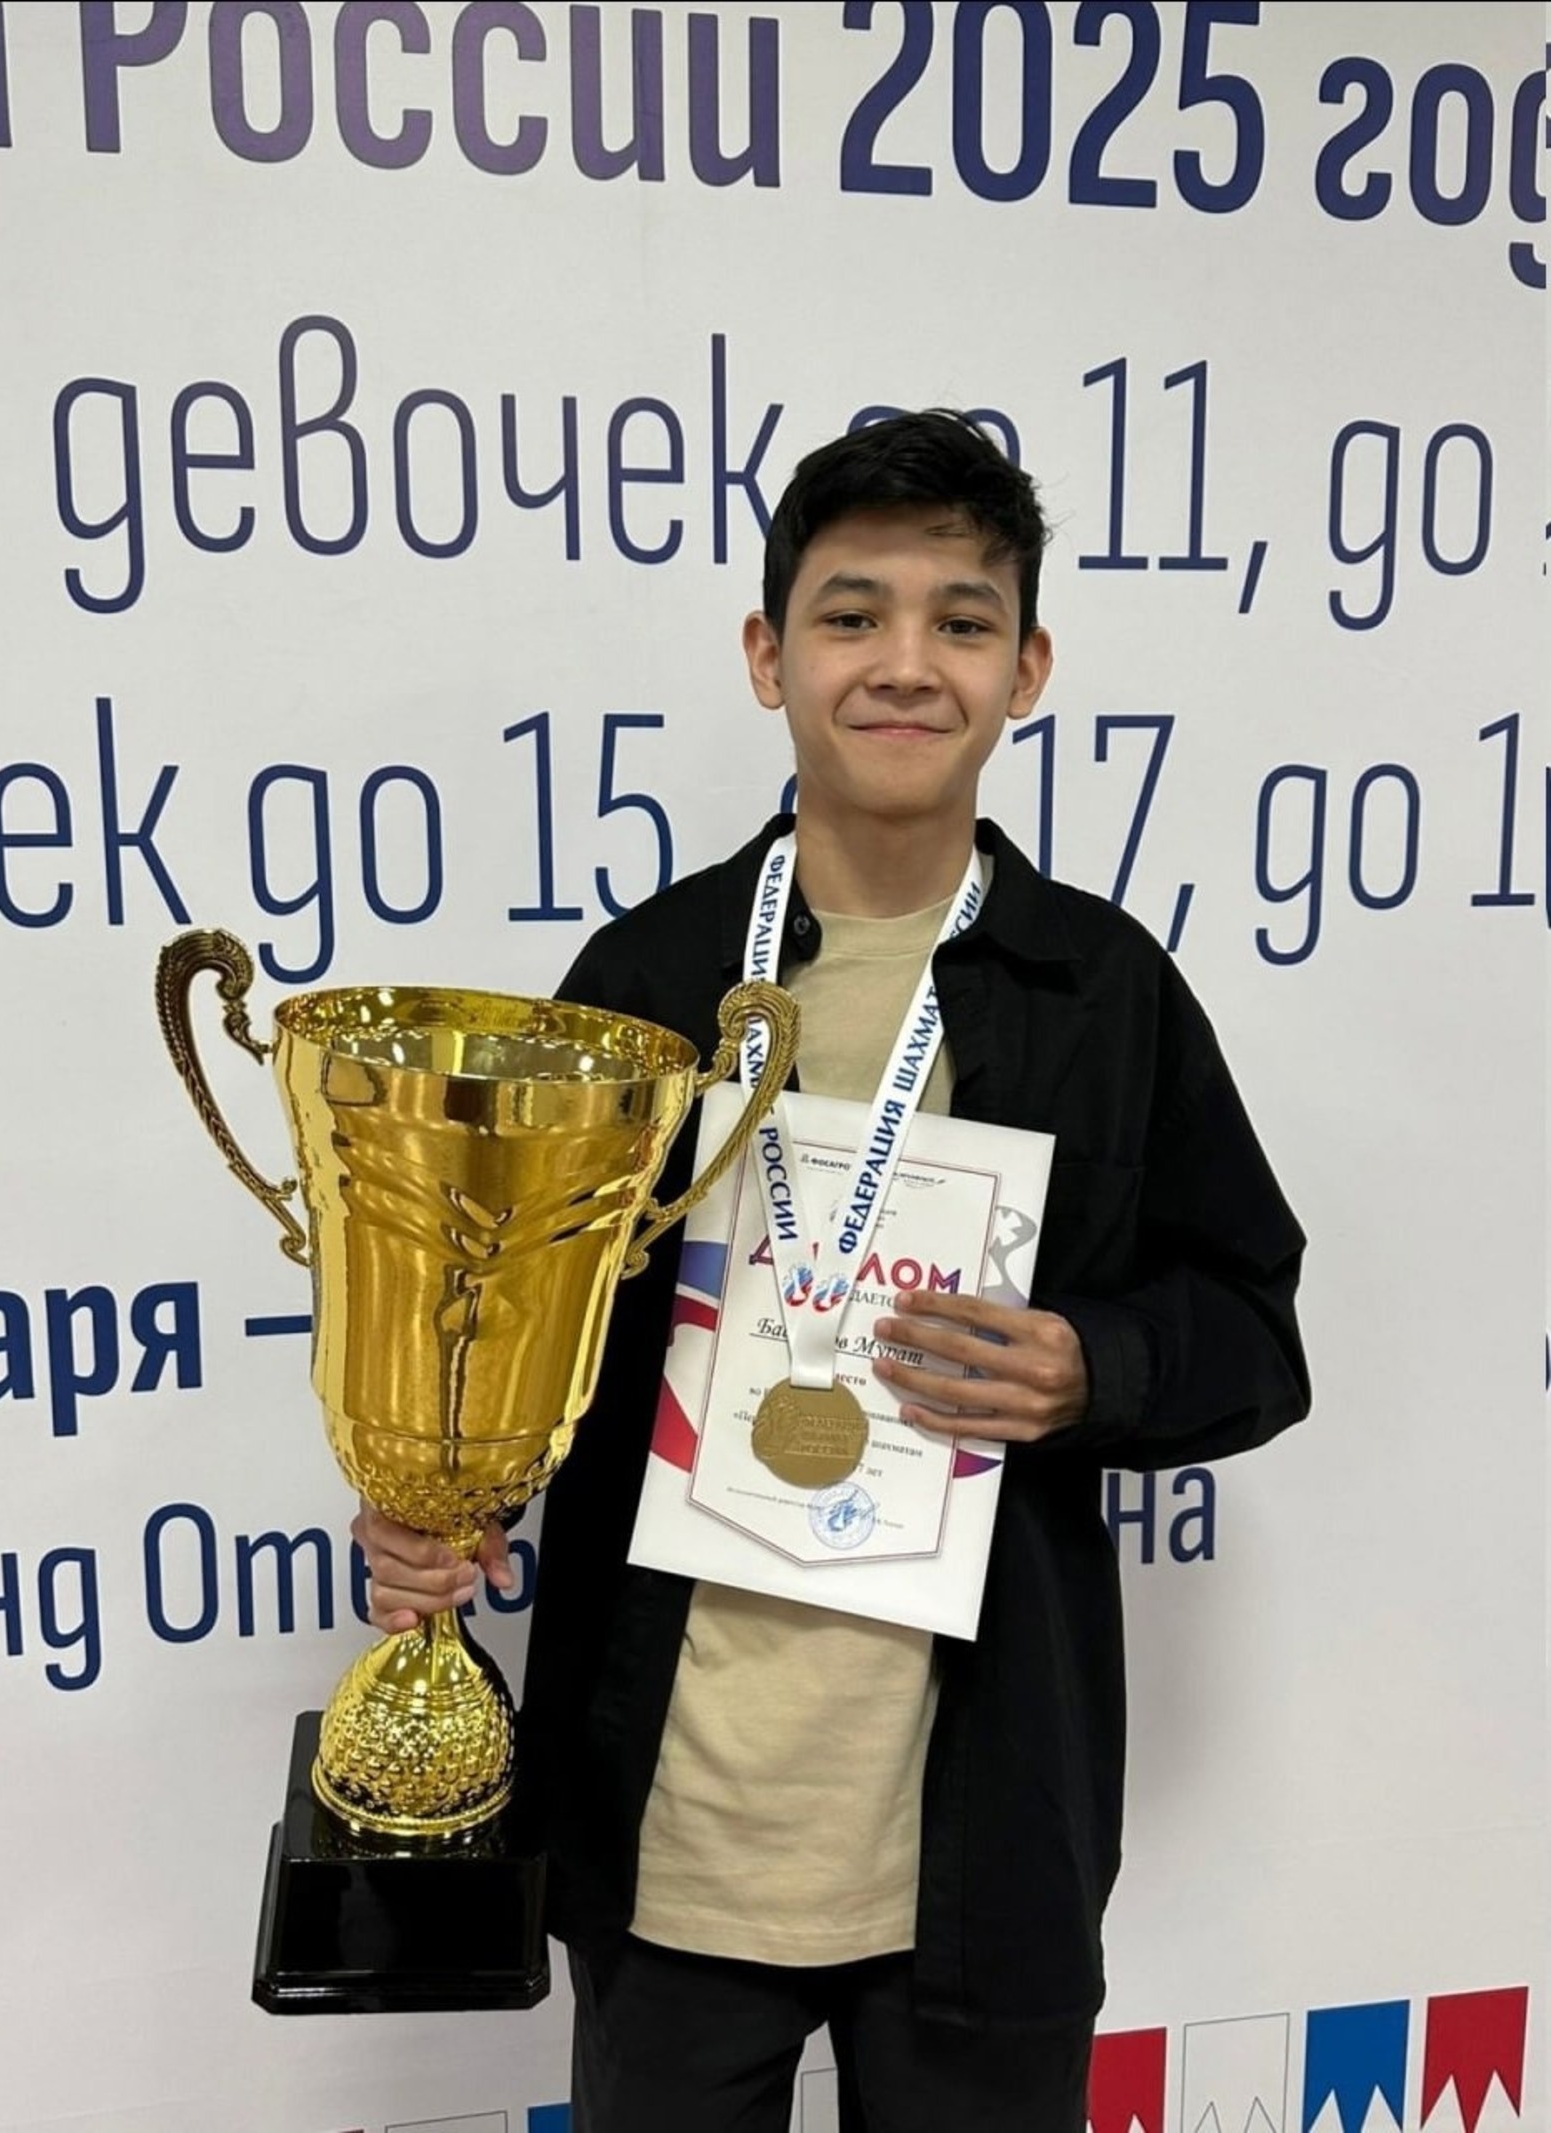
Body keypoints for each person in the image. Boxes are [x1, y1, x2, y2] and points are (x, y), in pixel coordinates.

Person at [355, 410, 1310, 2132]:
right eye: (852, 613)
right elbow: (524, 1330)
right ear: (768, 654)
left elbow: (1253, 1324)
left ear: (1026, 669)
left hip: (977, 1846)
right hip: (677, 1832)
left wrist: (1093, 1364)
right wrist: (445, 1492)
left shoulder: (1104, 990)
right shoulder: (647, 979)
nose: (905, 662)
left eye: (961, 620)